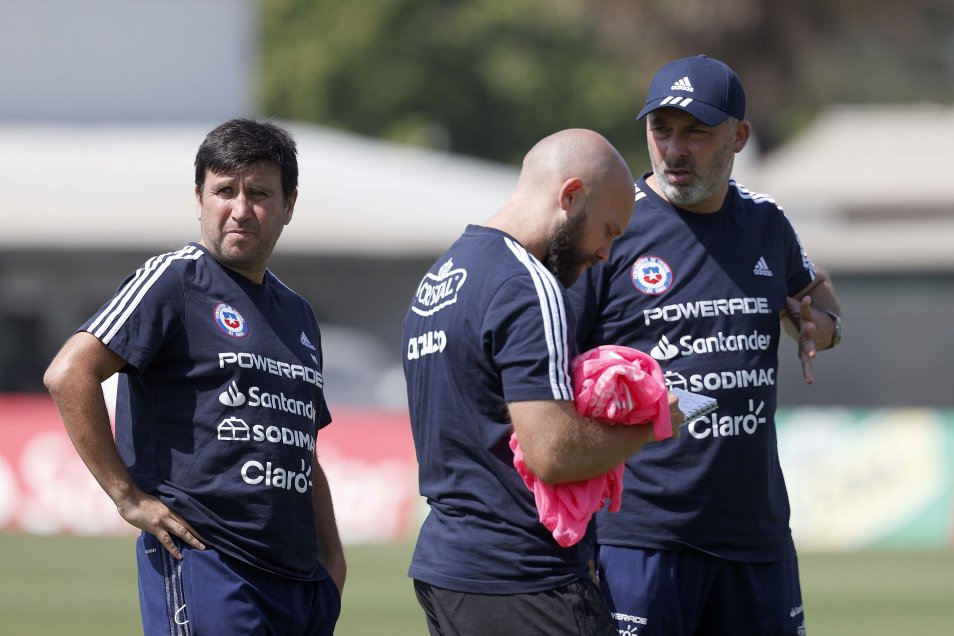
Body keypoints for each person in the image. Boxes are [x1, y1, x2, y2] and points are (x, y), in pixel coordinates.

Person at [570, 55, 844, 635]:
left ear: (739, 136)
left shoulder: (767, 223)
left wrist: (822, 325)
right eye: (661, 129)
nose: (674, 148)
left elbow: (818, 298)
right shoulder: (611, 228)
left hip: (756, 536)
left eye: (696, 131)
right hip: (642, 537)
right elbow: (549, 368)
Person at [43, 118, 345, 635]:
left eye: (259, 193)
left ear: (290, 204)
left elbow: (302, 445)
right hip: (210, 564)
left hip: (301, 584)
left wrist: (332, 562)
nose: (241, 209)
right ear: (200, 198)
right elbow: (69, 373)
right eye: (224, 190)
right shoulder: (176, 279)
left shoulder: (297, 313)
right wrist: (128, 498)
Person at [401, 128, 683, 636]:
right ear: (570, 196)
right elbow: (553, 454)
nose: (606, 253)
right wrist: (654, 424)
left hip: (449, 572)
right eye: (609, 230)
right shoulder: (529, 283)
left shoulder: (442, 277)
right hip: (523, 579)